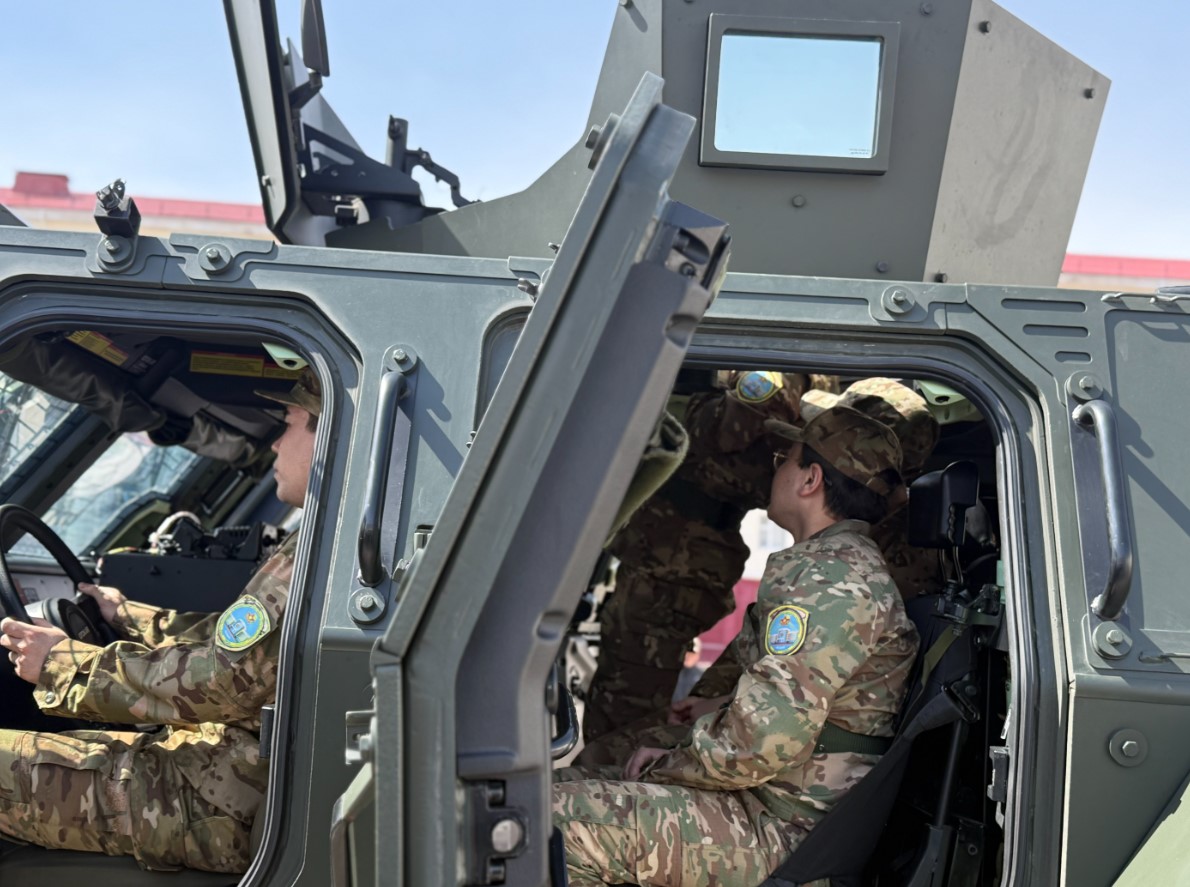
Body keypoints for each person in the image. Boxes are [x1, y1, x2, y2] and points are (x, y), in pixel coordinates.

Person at [553, 405, 920, 887]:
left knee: (548, 826)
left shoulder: (833, 583)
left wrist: (668, 765)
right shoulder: (833, 569)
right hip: (769, 800)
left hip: (782, 827)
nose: (775, 471)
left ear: (810, 479)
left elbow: (760, 742)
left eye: (784, 460)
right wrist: (709, 714)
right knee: (554, 789)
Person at [0, 367, 321, 873]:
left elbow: (220, 681)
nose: (277, 444)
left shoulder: (321, 553)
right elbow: (230, 647)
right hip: (226, 772)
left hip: (215, 805)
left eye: (289, 424)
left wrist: (63, 665)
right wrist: (126, 614)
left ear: (328, 439)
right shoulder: (327, 543)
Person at [583, 370, 820, 742]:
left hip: (675, 569)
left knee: (627, 715)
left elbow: (736, 429)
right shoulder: (775, 381)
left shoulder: (780, 377)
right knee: (628, 707)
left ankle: (614, 772)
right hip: (668, 563)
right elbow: (736, 429)